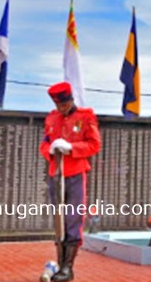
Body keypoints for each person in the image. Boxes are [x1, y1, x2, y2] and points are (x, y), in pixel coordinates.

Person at [39, 82, 101, 281]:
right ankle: (59, 263)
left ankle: (68, 267)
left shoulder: (85, 117)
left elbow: (94, 144)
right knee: (59, 220)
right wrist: (48, 150)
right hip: (55, 173)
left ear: (71, 100)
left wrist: (71, 148)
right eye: (58, 106)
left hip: (75, 172)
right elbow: (44, 143)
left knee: (73, 218)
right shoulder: (51, 118)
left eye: (64, 105)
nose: (61, 109)